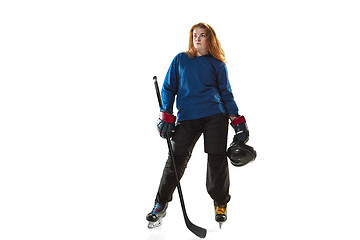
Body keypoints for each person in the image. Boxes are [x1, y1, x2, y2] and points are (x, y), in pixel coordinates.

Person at [146, 22, 250, 227]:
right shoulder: (181, 60)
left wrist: (237, 121)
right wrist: (166, 113)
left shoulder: (218, 64)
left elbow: (226, 94)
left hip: (215, 115)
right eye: (195, 35)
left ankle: (220, 203)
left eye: (202, 35)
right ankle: (161, 203)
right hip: (188, 117)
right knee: (175, 160)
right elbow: (168, 87)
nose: (197, 39)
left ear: (210, 38)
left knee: (216, 160)